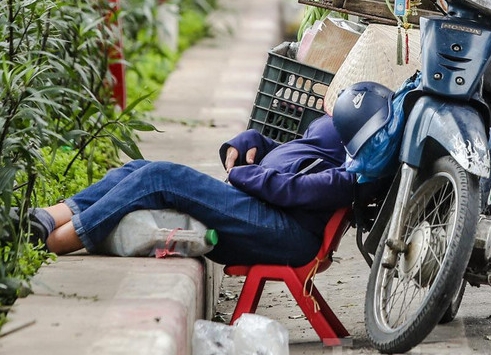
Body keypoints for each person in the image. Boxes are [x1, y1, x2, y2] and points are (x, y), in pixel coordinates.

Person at [25, 83, 394, 266]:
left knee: (162, 177)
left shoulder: (353, 176)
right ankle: (49, 217)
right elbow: (296, 151)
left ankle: (56, 241)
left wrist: (242, 174)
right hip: (261, 205)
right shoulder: (340, 134)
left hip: (283, 229)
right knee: (138, 170)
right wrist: (252, 142)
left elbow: (293, 190)